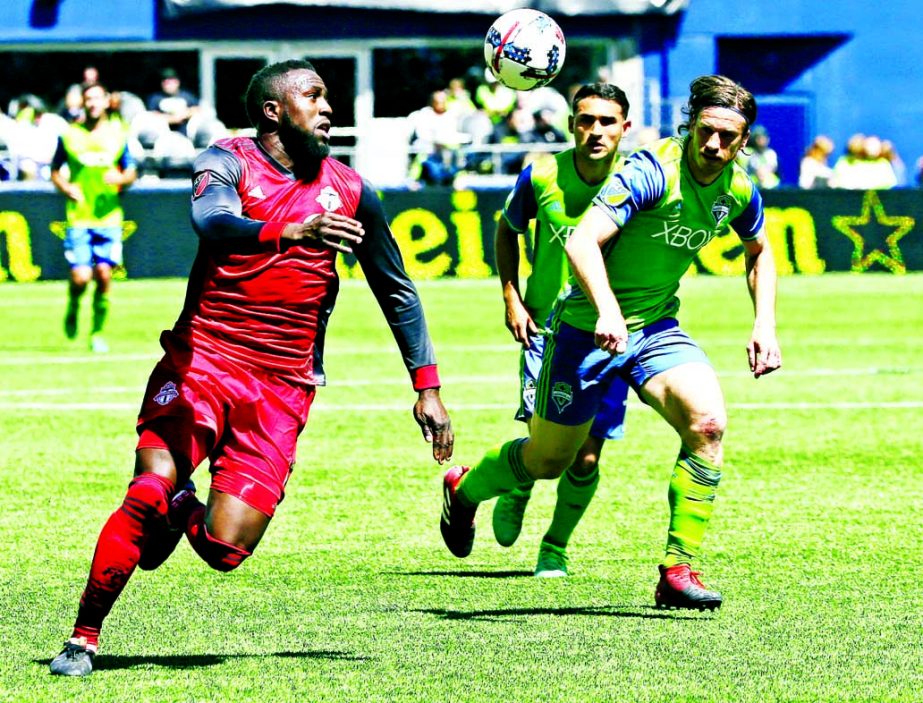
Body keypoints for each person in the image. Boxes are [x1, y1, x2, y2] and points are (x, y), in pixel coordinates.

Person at [50, 59, 454, 677]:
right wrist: (289, 230)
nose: (327, 107)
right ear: (273, 110)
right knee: (146, 488)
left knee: (225, 550)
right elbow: (210, 221)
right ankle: (83, 637)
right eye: (313, 96)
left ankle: (181, 503)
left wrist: (427, 388)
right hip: (203, 360)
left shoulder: (350, 189)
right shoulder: (227, 161)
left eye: (327, 97)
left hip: (283, 387)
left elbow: (395, 289)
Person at [440, 74, 781, 612]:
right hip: (583, 330)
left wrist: (764, 324)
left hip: (656, 330)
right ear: (691, 125)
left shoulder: (738, 187)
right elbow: (581, 239)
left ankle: (677, 570)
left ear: (744, 139)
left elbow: (760, 250)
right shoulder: (650, 171)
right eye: (707, 132)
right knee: (550, 459)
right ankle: (465, 489)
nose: (715, 147)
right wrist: (607, 309)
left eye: (729, 138)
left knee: (708, 424)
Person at [491, 83, 633, 577]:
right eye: (586, 120)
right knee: (543, 444)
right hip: (547, 329)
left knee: (587, 458)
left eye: (607, 122)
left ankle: (555, 545)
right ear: (572, 123)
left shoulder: (640, 181)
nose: (596, 131)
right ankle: (518, 484)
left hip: (610, 333)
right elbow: (506, 229)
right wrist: (512, 297)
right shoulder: (543, 174)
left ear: (624, 128)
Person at [50, 82, 137, 353]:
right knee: (80, 278)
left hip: (109, 216)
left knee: (103, 274)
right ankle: (74, 306)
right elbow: (54, 170)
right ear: (82, 103)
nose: (92, 103)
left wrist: (121, 178)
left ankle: (97, 333)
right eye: (88, 99)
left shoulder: (118, 134)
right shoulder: (69, 136)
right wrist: (66, 187)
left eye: (97, 98)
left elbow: (132, 170)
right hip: (79, 217)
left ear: (106, 101)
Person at [146, 67, 199, 135]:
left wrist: (184, 114)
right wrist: (172, 119)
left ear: (177, 82)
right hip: (162, 136)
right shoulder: (155, 98)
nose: (168, 84)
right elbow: (150, 116)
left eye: (171, 81)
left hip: (185, 134)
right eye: (165, 82)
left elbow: (197, 110)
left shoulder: (187, 96)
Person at [742, 124, 779, 189]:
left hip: (772, 188)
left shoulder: (771, 154)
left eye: (764, 137)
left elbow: (772, 168)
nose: (761, 140)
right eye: (758, 138)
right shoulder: (750, 154)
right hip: (755, 187)